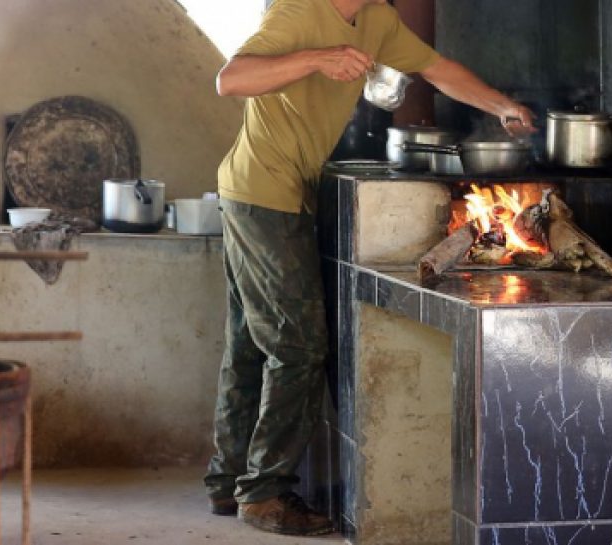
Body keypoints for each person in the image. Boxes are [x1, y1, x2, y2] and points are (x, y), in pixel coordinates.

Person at [204, 0, 536, 536]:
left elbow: (436, 68)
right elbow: (231, 79)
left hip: (275, 193)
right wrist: (318, 58)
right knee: (298, 346)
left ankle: (227, 484)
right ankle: (264, 494)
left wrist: (501, 106)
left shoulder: (377, 19)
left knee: (251, 343)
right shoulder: (295, 13)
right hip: (262, 193)